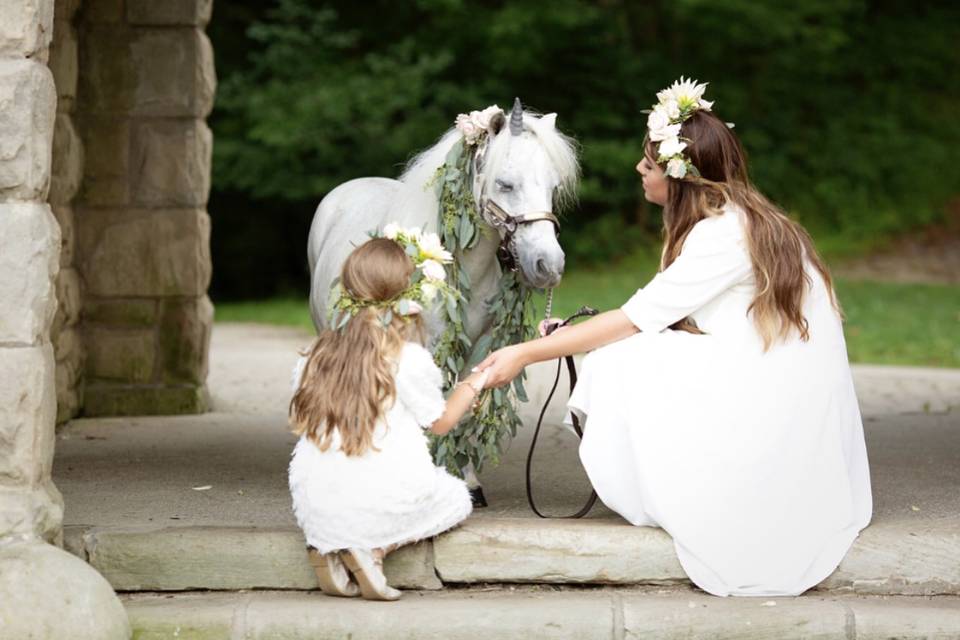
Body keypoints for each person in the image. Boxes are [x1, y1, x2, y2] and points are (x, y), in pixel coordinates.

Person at [476, 78, 872, 597]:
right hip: (777, 384)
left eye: (650, 164)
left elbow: (635, 319)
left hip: (775, 405)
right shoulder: (743, 219)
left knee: (620, 362)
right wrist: (583, 335)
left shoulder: (723, 235)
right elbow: (665, 311)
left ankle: (673, 492)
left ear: (681, 178)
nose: (639, 170)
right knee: (625, 350)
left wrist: (525, 352)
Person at [288, 233, 488, 601]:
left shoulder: (312, 357)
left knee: (341, 483)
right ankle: (373, 552)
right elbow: (439, 422)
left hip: (313, 503)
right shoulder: (406, 358)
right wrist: (475, 384)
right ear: (407, 295)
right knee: (457, 497)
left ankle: (328, 550)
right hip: (381, 497)